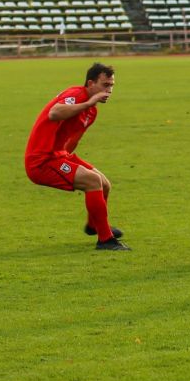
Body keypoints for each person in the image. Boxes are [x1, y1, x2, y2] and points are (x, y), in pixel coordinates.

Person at [24, 63, 129, 251]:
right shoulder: (77, 95)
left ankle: (94, 225)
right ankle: (105, 240)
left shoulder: (91, 111)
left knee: (104, 184)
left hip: (59, 155)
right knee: (92, 181)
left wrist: (68, 160)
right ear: (90, 83)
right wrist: (88, 102)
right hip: (42, 160)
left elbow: (72, 140)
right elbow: (54, 113)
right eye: (105, 85)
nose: (109, 90)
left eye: (112, 85)